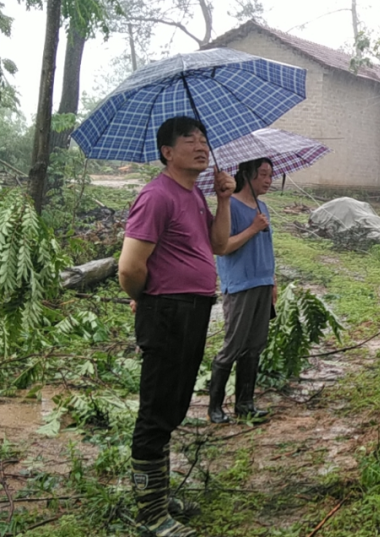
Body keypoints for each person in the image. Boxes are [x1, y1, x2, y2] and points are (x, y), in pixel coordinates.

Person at [118, 116, 235, 537]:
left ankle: (156, 495)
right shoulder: (157, 195)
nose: (202, 146)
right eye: (190, 140)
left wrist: (223, 200)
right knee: (156, 410)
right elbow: (129, 267)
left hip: (193, 310)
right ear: (167, 152)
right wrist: (146, 299)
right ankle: (150, 516)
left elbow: (219, 245)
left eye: (204, 139)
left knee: (173, 405)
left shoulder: (193, 196)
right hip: (167, 312)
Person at [208, 157, 276, 424]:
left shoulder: (264, 208)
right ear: (246, 175)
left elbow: (267, 248)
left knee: (255, 345)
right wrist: (252, 228)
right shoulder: (231, 206)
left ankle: (245, 403)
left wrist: (272, 280)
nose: (268, 180)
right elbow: (222, 246)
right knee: (233, 345)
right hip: (239, 285)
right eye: (263, 174)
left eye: (271, 175)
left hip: (262, 283)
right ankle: (214, 407)